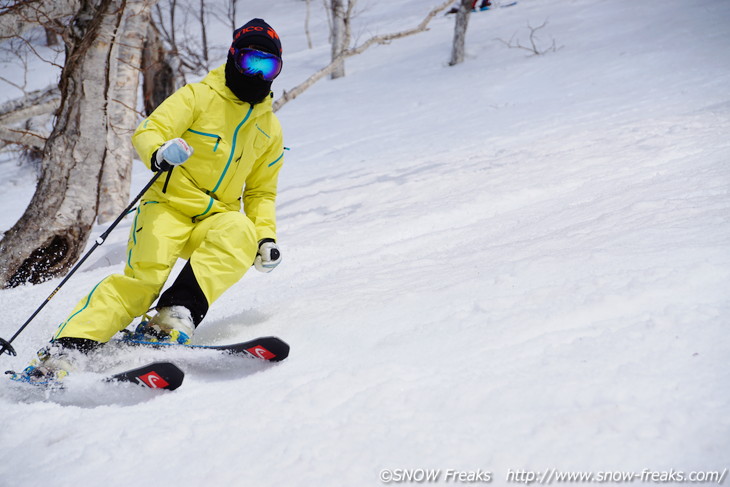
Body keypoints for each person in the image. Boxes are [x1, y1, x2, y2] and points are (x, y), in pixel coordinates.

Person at [16, 18, 287, 383]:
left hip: (215, 215)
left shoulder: (268, 129)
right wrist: (161, 151)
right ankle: (68, 349)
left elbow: (260, 192)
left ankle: (173, 316)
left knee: (241, 230)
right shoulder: (198, 96)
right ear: (233, 58)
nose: (256, 74)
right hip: (168, 208)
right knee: (141, 284)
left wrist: (265, 236)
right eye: (249, 62)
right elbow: (150, 130)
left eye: (267, 66)